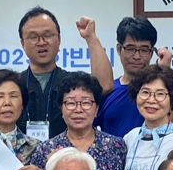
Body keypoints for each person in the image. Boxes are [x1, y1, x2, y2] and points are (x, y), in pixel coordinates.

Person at [28, 72, 126, 170]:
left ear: (96, 109)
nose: (78, 109)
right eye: (71, 103)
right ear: (62, 109)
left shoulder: (116, 146)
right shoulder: (47, 148)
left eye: (86, 103)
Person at [15, 8, 113, 142]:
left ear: (59, 39)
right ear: (22, 43)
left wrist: (91, 38)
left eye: (48, 35)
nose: (42, 42)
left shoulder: (72, 83)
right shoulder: (14, 85)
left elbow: (104, 85)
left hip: (67, 158)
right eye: (33, 37)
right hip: (22, 161)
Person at [98, 17, 170, 138]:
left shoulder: (163, 92)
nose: (137, 56)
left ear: (152, 52)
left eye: (144, 50)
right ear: (119, 49)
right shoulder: (107, 90)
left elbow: (171, 121)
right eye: (130, 49)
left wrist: (165, 74)